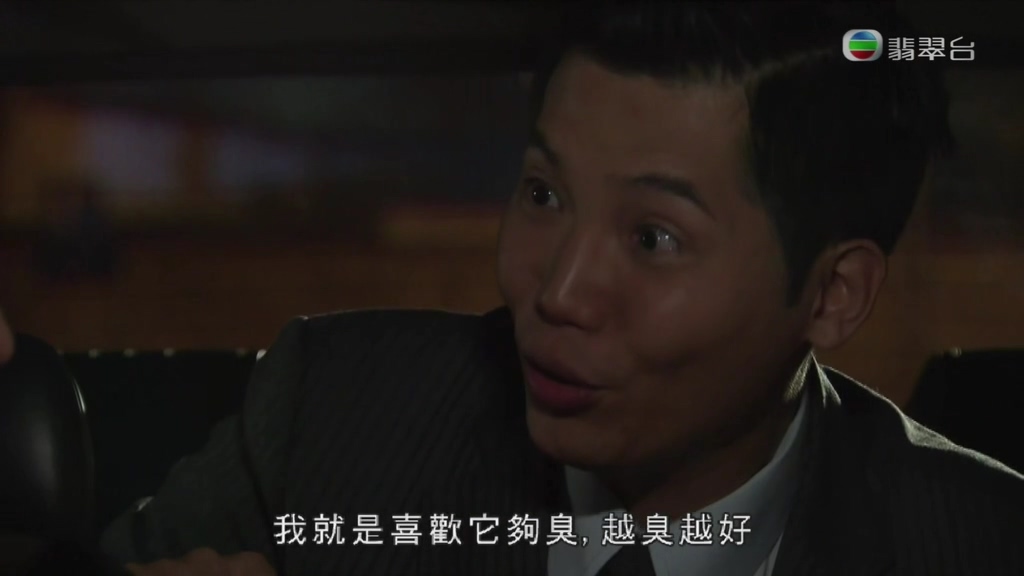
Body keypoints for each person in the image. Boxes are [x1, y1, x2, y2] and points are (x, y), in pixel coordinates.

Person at [5, 2, 1023, 575]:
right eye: (543, 193)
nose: (559, 290)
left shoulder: (979, 545)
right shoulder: (332, 419)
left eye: (654, 237)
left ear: (834, 294)